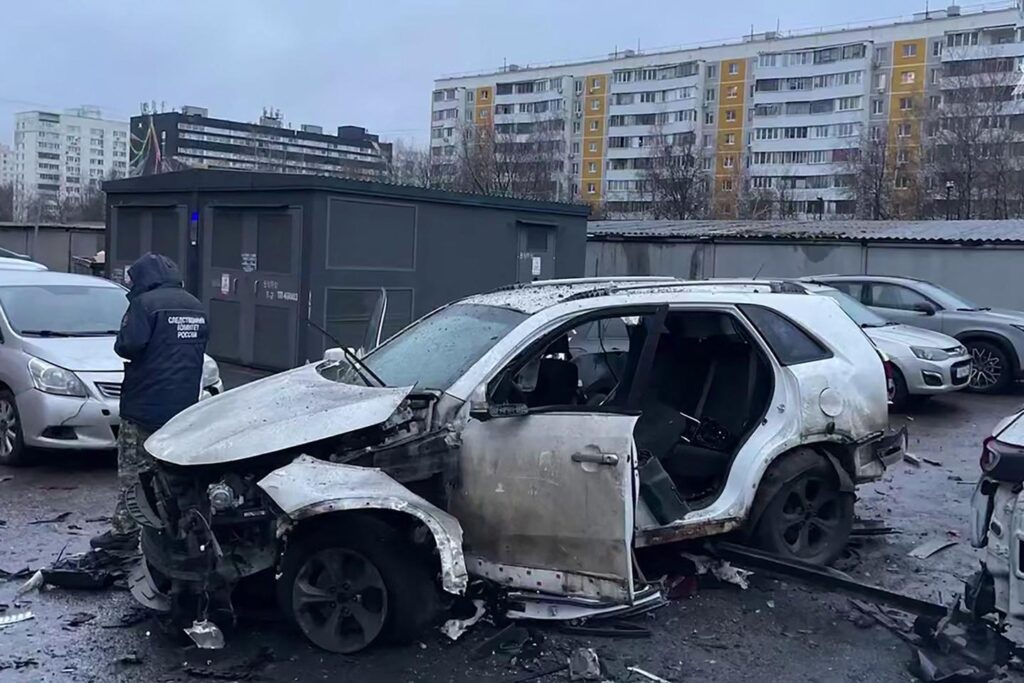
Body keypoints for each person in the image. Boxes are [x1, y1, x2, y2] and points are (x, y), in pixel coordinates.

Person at [90, 253, 209, 551]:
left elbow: (127, 346)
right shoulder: (195, 305)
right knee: (173, 472)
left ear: (144, 278)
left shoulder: (144, 305)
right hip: (182, 406)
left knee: (133, 472)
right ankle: (175, 529)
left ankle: (124, 532)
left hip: (144, 404)